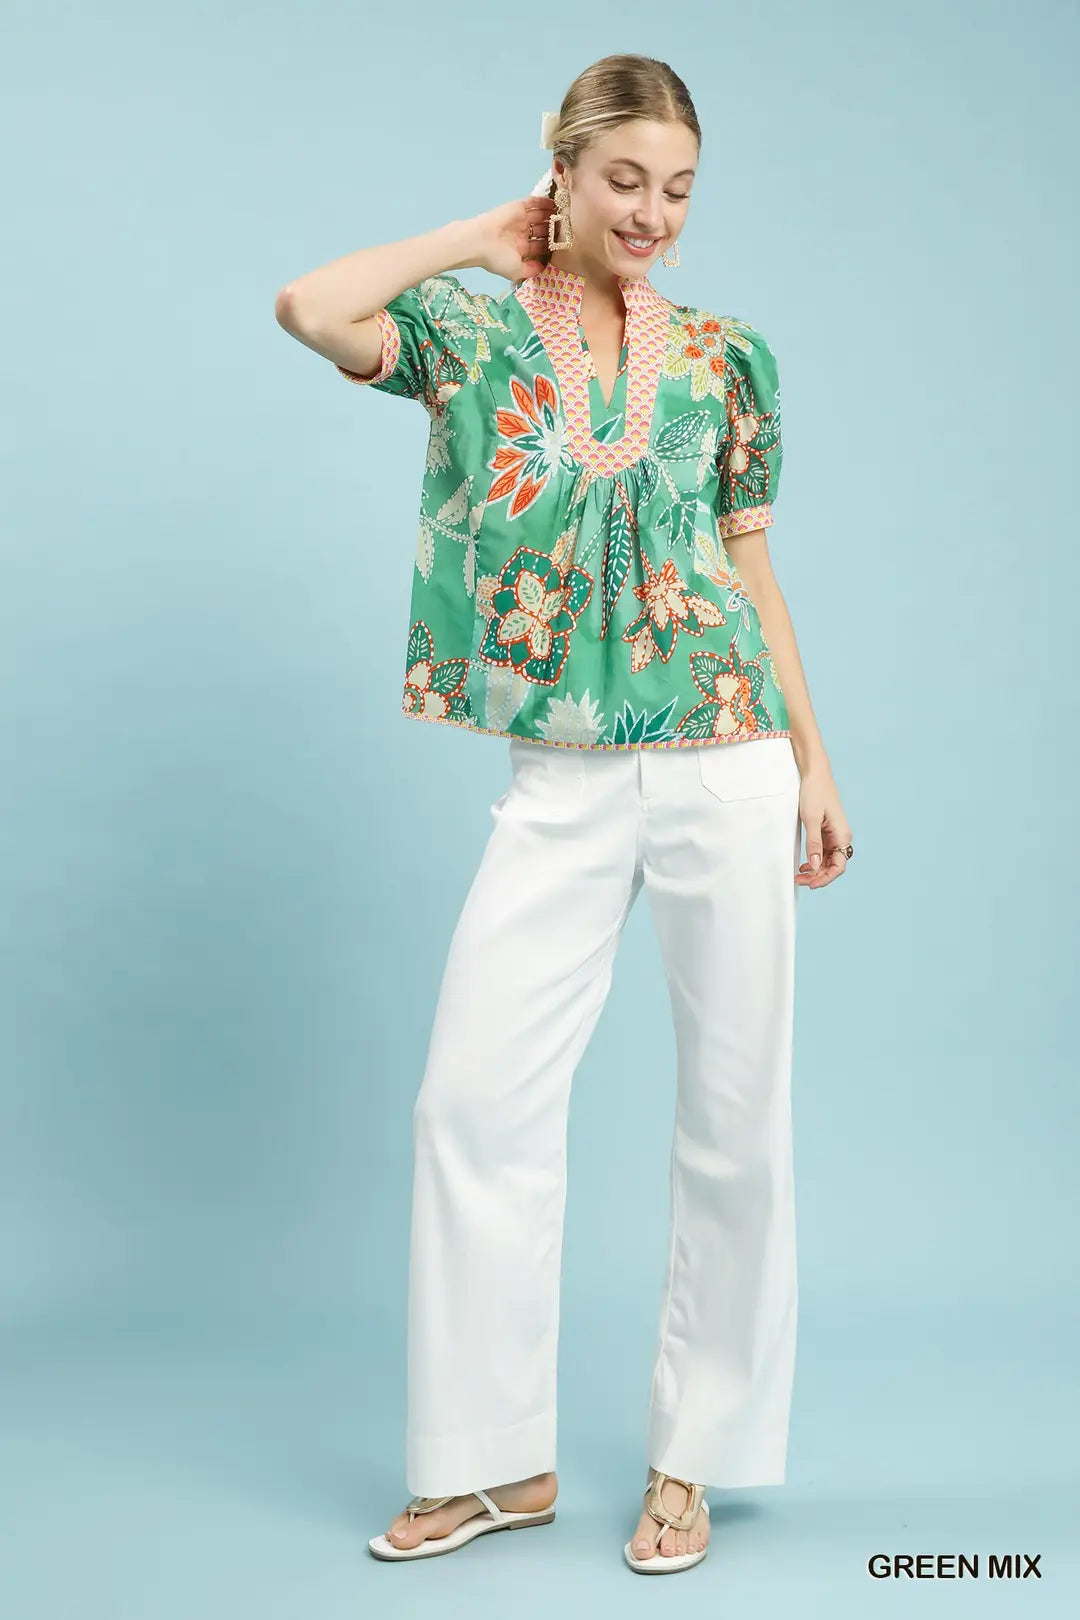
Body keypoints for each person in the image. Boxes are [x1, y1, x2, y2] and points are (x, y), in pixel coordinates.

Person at [275, 52, 853, 1576]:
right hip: (565, 776)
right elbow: (310, 307)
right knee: (473, 1104)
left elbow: (751, 571)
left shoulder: (728, 358)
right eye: (625, 180)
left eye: (679, 190)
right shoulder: (468, 331)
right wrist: (477, 237)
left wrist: (813, 760)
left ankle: (692, 1459)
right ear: (566, 168)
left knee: (737, 1110)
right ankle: (491, 1464)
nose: (653, 213)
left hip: (728, 753)